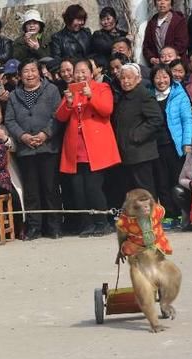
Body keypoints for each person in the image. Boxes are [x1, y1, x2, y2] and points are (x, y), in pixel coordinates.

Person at [56, 59, 121, 237]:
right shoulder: (71, 90)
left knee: (93, 187)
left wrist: (91, 95)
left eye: (84, 71)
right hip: (76, 146)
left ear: (91, 73)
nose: (80, 74)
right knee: (78, 188)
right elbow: (60, 117)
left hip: (94, 146)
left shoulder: (102, 88)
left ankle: (102, 221)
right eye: (77, 71)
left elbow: (107, 109)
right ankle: (86, 224)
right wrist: (68, 102)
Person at [5, 58, 62, 240]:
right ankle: (34, 227)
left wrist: (45, 134)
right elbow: (10, 120)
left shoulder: (52, 90)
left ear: (40, 72)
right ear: (20, 76)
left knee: (50, 187)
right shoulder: (14, 95)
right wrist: (23, 136)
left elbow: (57, 115)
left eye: (32, 70)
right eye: (25, 72)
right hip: (26, 149)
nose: (29, 74)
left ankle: (53, 226)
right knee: (31, 190)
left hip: (48, 147)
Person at [150, 64, 192, 222]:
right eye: (157, 77)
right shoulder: (149, 95)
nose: (161, 81)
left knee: (177, 179)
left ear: (170, 77)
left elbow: (187, 120)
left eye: (165, 77)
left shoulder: (179, 94)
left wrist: (187, 142)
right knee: (161, 180)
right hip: (155, 145)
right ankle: (169, 214)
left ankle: (183, 212)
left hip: (175, 145)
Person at [113, 63, 163, 198]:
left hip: (141, 153)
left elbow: (156, 119)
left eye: (129, 78)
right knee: (131, 191)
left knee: (144, 190)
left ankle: (150, 218)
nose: (126, 81)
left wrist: (136, 135)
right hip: (126, 152)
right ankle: (133, 219)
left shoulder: (144, 94)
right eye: (123, 78)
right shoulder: (123, 95)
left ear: (138, 78)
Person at [142, 0, 189, 65]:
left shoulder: (178, 21)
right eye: (159, 0)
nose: (162, 2)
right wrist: (151, 58)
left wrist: (167, 56)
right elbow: (147, 46)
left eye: (166, 0)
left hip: (176, 64)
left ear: (171, 3)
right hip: (158, 66)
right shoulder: (152, 23)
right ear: (155, 3)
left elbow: (182, 44)